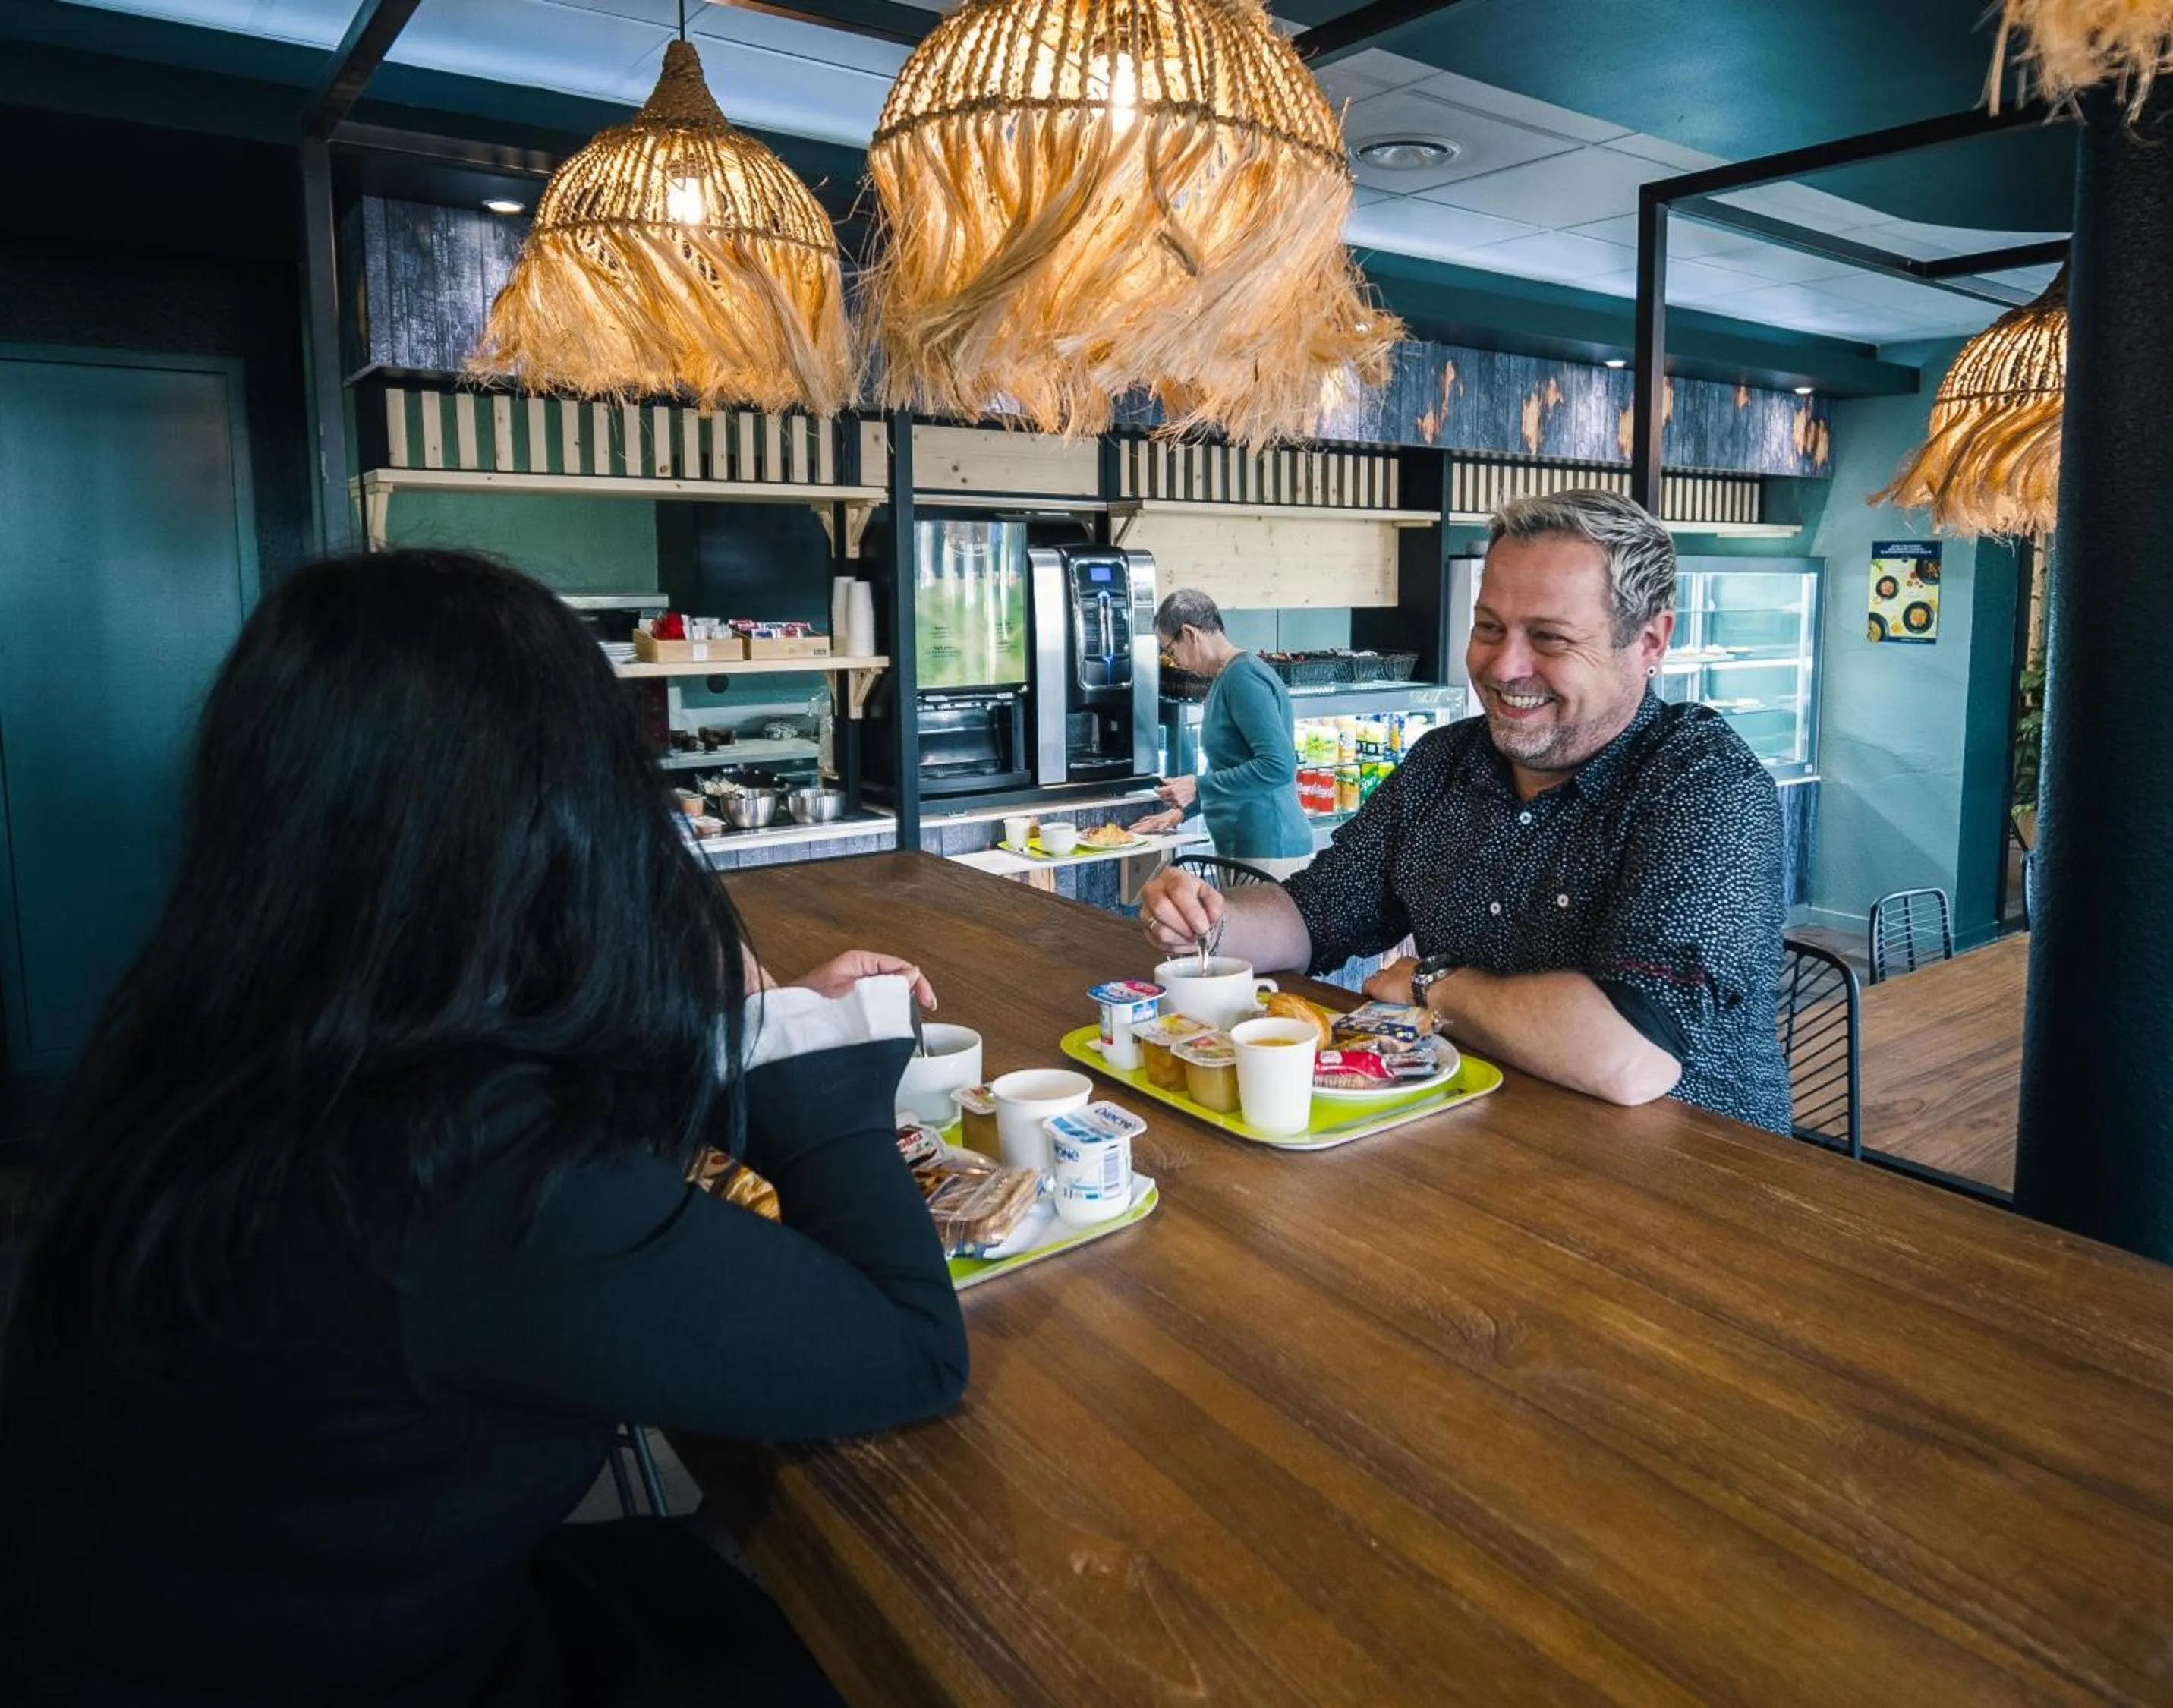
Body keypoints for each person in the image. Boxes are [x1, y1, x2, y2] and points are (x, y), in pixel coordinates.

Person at [0, 550, 968, 1706]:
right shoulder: (456, 1171)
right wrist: (803, 1060)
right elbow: (908, 1348)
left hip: (195, 1628)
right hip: (372, 1669)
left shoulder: (218, 1046)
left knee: (698, 1571)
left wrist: (736, 1029)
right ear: (553, 825)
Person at [1136, 490, 1791, 1132]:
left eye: (1551, 638)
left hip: (1697, 1186)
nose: (1505, 666)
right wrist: (1205, 922)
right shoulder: (1446, 762)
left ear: (1649, 642)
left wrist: (1434, 985)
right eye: (1488, 628)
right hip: (1471, 1137)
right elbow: (1317, 912)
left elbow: (1625, 1056)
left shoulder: (1705, 786)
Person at [1132, 588, 1312, 878]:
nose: (1174, 660)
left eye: (1169, 649)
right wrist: (1183, 812)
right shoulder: (1225, 678)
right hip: (1246, 848)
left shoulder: (1243, 677)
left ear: (1190, 634)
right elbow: (1232, 768)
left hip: (1268, 848)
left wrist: (1198, 786)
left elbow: (1278, 765)